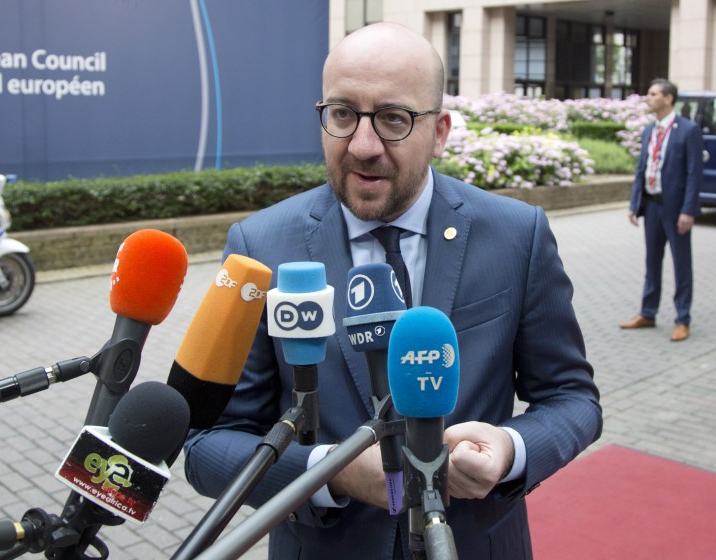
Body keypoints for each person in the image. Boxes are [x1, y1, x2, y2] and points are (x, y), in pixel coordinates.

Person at [183, 23, 602, 559]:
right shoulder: (260, 245)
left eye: (393, 119)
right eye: (342, 114)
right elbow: (207, 444)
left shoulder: (518, 235)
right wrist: (327, 474)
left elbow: (572, 399)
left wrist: (511, 449)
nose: (363, 145)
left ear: (441, 130)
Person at [619, 78, 703, 342]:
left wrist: (688, 210)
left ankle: (682, 319)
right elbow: (641, 169)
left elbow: (694, 174)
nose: (648, 97)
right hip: (652, 206)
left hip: (676, 208)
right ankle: (648, 312)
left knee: (681, 264)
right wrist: (635, 204)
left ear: (668, 98)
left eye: (653, 94)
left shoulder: (688, 130)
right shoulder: (649, 130)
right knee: (652, 261)